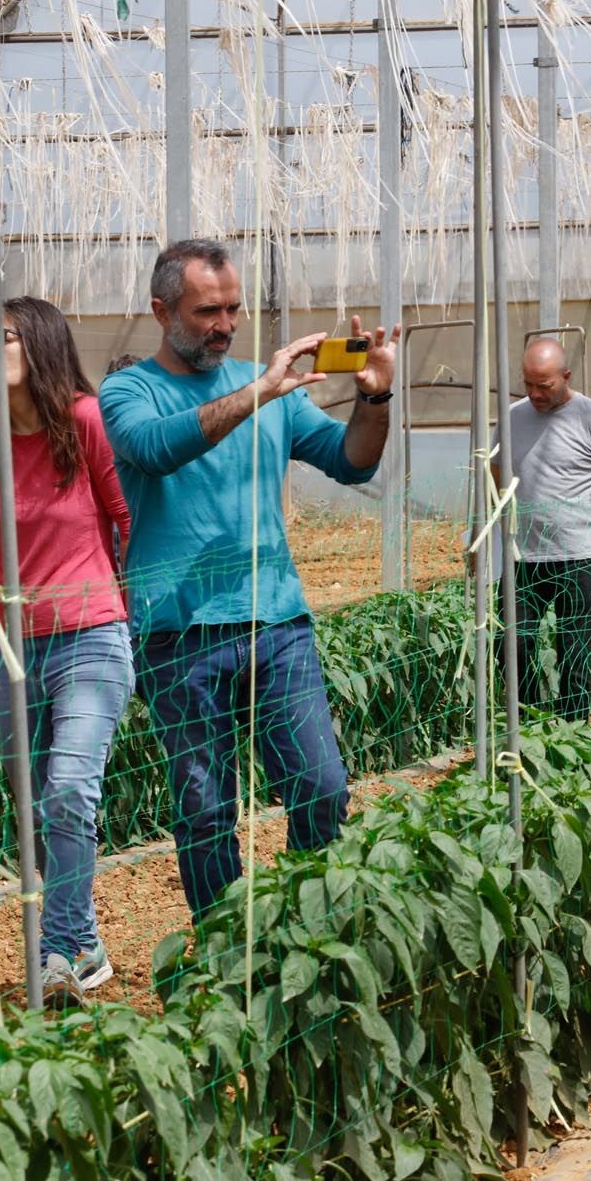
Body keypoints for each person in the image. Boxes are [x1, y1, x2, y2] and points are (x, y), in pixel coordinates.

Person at [98, 239, 401, 919]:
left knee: (321, 786)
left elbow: (351, 462)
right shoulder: (128, 390)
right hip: (180, 634)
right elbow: (155, 447)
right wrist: (258, 390)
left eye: (233, 308)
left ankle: (301, 924)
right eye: (208, 310)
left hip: (278, 622)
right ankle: (224, 943)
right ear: (161, 309)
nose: (226, 324)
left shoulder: (276, 394)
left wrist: (374, 397)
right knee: (206, 811)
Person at [0, 296, 134, 1004]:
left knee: (69, 786)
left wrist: (121, 608)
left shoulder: (85, 421)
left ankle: (57, 949)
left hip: (91, 631)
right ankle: (85, 941)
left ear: (38, 343)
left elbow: (124, 517)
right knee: (37, 805)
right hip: (10, 641)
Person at [492, 337, 591, 722]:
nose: (535, 394)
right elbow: (495, 475)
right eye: (528, 384)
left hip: (580, 556)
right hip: (524, 556)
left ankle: (573, 736)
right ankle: (527, 726)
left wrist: (590, 516)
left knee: (573, 651)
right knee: (511, 642)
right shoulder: (512, 417)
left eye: (545, 385)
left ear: (566, 376)